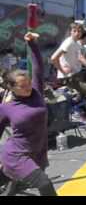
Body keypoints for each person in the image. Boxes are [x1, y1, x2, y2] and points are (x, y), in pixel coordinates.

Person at [0, 32, 57, 196]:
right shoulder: (6, 108)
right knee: (44, 183)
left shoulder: (37, 92)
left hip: (37, 152)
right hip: (16, 155)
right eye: (22, 86)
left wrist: (32, 43)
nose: (28, 87)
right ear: (11, 88)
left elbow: (38, 66)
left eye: (28, 84)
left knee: (10, 184)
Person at [51, 23, 86, 134]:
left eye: (79, 31)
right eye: (75, 31)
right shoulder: (68, 43)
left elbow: (80, 57)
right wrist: (62, 70)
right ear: (71, 32)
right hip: (70, 77)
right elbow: (53, 58)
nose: (77, 33)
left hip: (78, 73)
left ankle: (84, 105)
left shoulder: (76, 44)